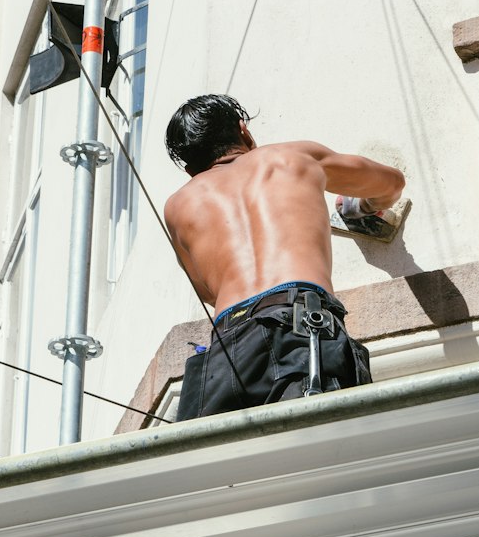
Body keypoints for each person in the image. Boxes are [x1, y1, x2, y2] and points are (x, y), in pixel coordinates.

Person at [163, 94, 406, 420]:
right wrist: (359, 207)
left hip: (226, 349)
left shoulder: (177, 206)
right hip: (296, 323)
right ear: (244, 132)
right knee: (321, 445)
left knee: (215, 462)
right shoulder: (291, 156)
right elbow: (391, 183)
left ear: (190, 168)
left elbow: (209, 292)